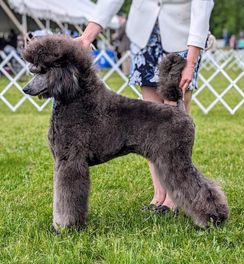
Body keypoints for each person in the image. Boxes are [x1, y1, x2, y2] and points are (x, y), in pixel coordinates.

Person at [75, 0, 214, 214]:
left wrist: (192, 61)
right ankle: (160, 194)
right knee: (150, 122)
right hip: (144, 37)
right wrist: (87, 36)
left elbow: (202, 5)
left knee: (173, 119)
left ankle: (175, 196)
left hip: (183, 38)